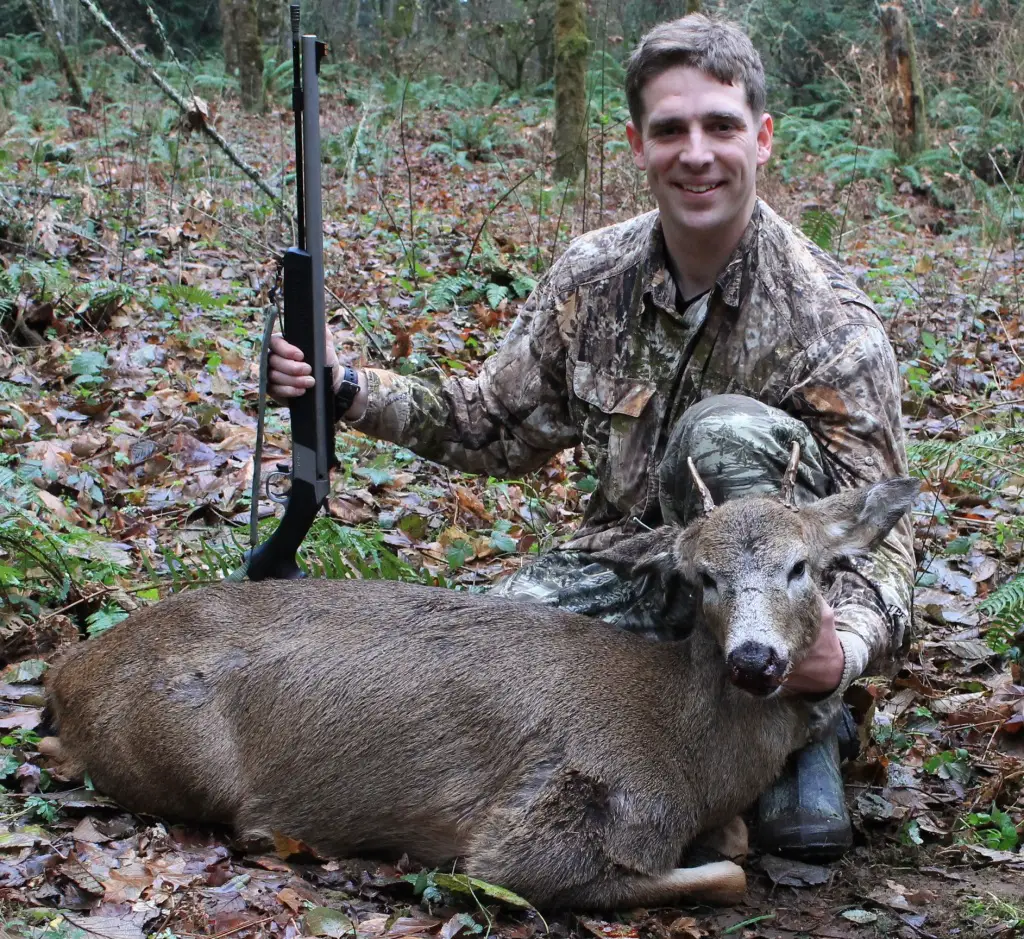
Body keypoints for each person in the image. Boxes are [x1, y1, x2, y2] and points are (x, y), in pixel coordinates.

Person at [267, 14, 915, 862]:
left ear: (761, 138)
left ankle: (801, 737)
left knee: (720, 435)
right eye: (670, 129)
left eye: (720, 126)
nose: (696, 153)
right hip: (633, 567)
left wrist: (840, 653)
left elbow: (887, 543)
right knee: (485, 664)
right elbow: (489, 426)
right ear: (637, 145)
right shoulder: (591, 277)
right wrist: (346, 387)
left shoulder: (832, 323)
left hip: (775, 610)